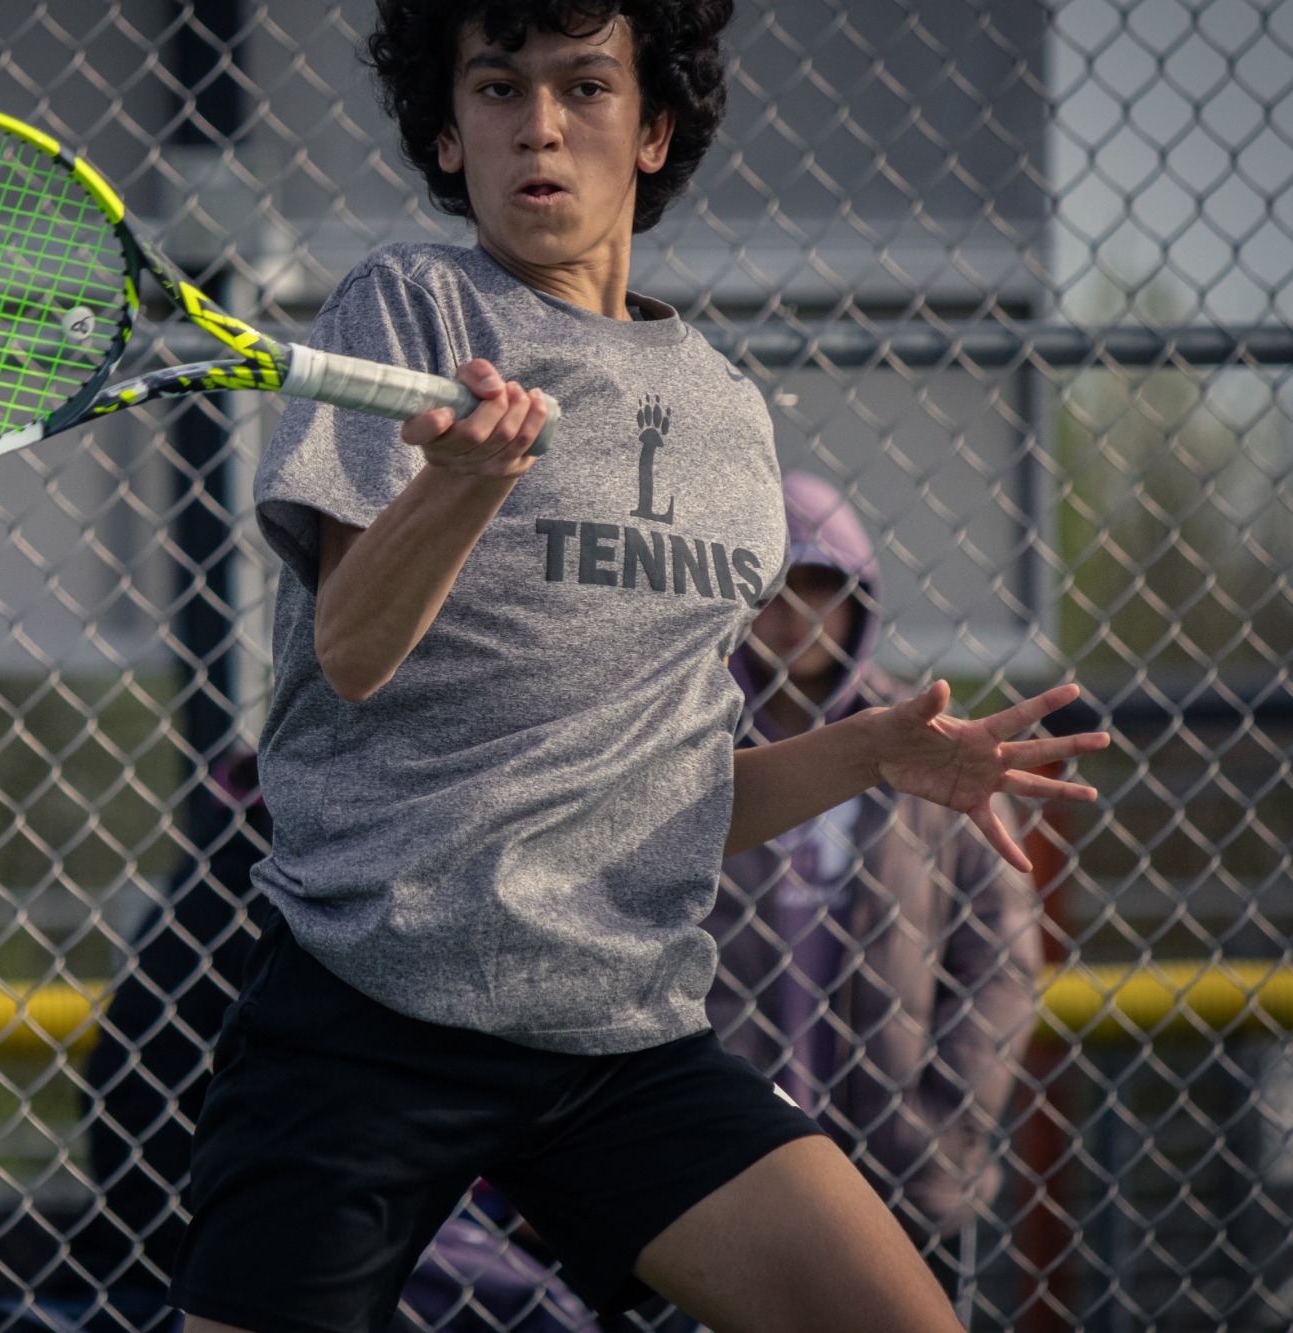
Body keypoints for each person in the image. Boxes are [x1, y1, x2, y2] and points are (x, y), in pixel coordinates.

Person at [165, 5, 1110, 1333]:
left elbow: (659, 794)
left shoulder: (727, 416)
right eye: (496, 87)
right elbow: (352, 653)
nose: (539, 125)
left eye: (586, 87)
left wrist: (867, 754)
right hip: (367, 1016)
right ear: (449, 130)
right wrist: (462, 486)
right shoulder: (411, 306)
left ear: (654, 130)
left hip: (621, 1035)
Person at [82, 753, 603, 1332]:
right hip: (257, 1209)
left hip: (300, 1186)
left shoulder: (340, 829)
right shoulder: (318, 853)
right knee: (538, 1314)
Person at [709, 472, 1044, 1315]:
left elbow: (999, 957)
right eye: (775, 586)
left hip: (899, 1150)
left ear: (861, 598)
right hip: (724, 1149)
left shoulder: (933, 745)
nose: (796, 611)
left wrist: (940, 1120)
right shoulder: (692, 743)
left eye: (822, 585)